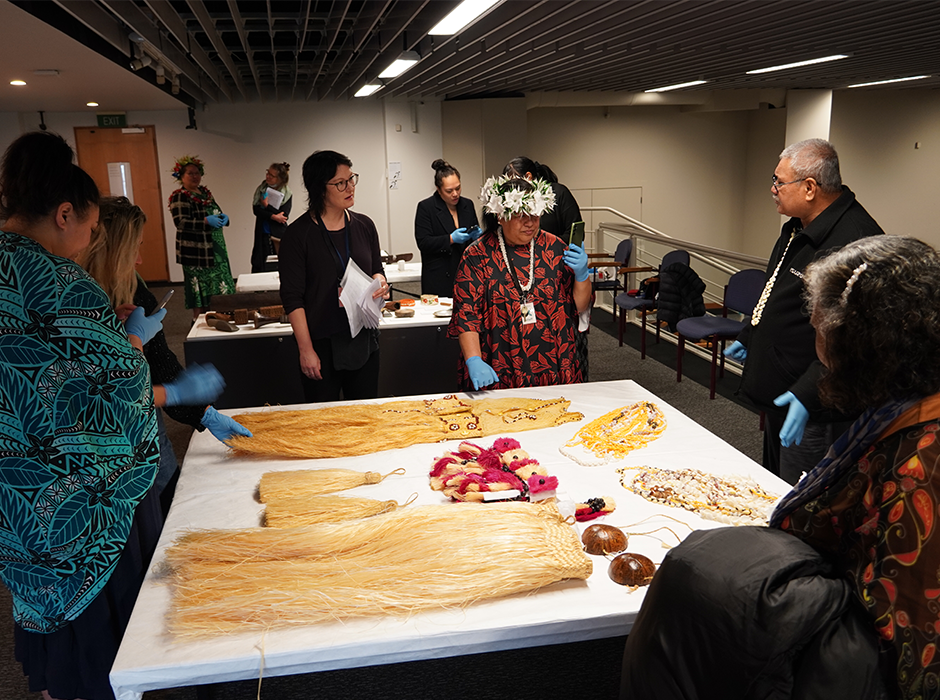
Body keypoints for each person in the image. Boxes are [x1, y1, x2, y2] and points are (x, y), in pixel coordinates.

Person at [621, 235, 940, 700]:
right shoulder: (899, 406)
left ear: (862, 344)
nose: (817, 350)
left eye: (820, 332)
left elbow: (903, 659)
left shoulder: (921, 468)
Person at [0, 131, 165, 700]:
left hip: (13, 487)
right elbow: (123, 389)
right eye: (89, 229)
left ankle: (51, 684)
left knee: (34, 589)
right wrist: (134, 347)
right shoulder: (61, 284)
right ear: (64, 214)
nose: (86, 243)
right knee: (95, 612)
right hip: (75, 493)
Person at [724, 138, 884, 483]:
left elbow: (853, 339)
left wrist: (807, 391)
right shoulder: (799, 225)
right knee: (773, 485)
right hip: (783, 392)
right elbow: (776, 290)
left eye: (779, 181)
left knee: (803, 500)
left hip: (816, 404)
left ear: (810, 188)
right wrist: (751, 334)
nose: (773, 188)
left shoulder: (853, 243)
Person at [79, 196, 252, 514]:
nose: (140, 260)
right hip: (102, 448)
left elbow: (158, 361)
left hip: (145, 424)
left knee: (164, 495)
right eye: (134, 249)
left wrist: (202, 413)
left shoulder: (132, 288)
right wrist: (130, 339)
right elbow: (109, 395)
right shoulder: (74, 300)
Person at [449, 175, 591, 391]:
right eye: (520, 215)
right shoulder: (477, 255)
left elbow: (578, 306)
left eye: (535, 214)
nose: (530, 222)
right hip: (500, 362)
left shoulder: (554, 248)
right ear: (500, 215)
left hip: (555, 362)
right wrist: (474, 359)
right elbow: (466, 315)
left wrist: (582, 275)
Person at [278, 150, 389, 403]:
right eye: (340, 183)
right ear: (319, 188)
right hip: (321, 343)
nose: (350, 187)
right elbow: (293, 298)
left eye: (351, 179)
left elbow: (376, 269)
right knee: (325, 424)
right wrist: (306, 350)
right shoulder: (298, 235)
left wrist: (381, 283)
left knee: (365, 418)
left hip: (363, 340)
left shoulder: (364, 225)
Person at [503, 156, 590, 379]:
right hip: (522, 279)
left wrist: (547, 250)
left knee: (564, 334)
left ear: (529, 177)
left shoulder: (558, 193)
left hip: (558, 272)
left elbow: (574, 233)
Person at [168, 155, 235, 320]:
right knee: (200, 287)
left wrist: (223, 218)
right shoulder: (180, 196)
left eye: (197, 173)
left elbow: (216, 212)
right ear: (181, 176)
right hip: (196, 252)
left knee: (219, 283)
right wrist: (205, 221)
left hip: (215, 248)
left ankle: (221, 316)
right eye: (190, 173)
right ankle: (198, 322)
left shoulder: (205, 193)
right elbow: (181, 222)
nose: (194, 176)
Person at [414, 158, 480, 297]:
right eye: (449, 191)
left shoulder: (467, 204)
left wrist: (478, 237)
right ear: (438, 190)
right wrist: (450, 239)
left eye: (458, 188)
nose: (455, 194)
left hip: (466, 273)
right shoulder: (426, 207)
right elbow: (424, 242)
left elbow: (473, 241)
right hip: (439, 276)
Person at [502, 156, 582, 239]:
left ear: (528, 177)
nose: (511, 189)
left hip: (560, 250)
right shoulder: (509, 200)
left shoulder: (558, 192)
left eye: (513, 182)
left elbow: (576, 234)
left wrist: (548, 246)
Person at [251, 161, 292, 273]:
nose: (267, 176)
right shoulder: (262, 189)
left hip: (278, 234)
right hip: (262, 231)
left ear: (279, 179)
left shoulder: (287, 193)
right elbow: (256, 210)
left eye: (271, 175)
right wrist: (273, 216)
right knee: (260, 261)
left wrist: (267, 206)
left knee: (279, 263)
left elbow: (283, 216)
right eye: (267, 173)